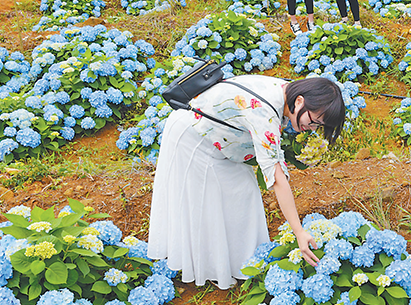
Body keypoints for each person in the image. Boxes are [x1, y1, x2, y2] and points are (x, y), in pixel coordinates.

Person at [148, 75, 346, 289]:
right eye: (314, 121)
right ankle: (215, 268)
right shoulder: (265, 112)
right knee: (207, 202)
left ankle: (244, 264)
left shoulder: (284, 89)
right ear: (299, 101)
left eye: (319, 125)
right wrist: (299, 231)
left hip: (210, 134)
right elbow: (277, 178)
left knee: (244, 194)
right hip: (195, 137)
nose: (313, 128)